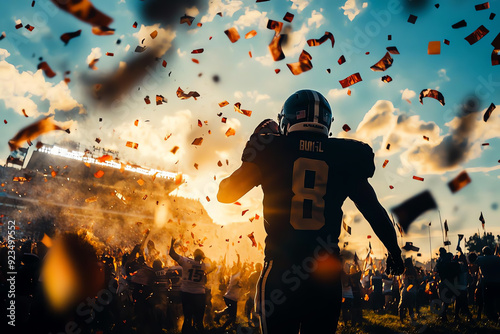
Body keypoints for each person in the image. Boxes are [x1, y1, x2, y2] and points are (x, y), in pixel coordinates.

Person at [217, 89, 404, 334]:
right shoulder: (345, 156)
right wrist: (394, 253)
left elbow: (225, 194)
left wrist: (258, 141)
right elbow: (374, 212)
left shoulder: (271, 150)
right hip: (323, 278)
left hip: (281, 272)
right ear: (326, 122)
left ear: (288, 119)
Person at [169, 238, 211, 334]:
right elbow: (214, 266)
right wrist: (205, 271)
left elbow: (172, 254)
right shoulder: (205, 266)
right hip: (200, 294)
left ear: (194, 255)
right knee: (199, 321)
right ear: (202, 257)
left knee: (187, 318)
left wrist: (172, 244)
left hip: (186, 293)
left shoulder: (186, 261)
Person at [475, 246, 500, 322]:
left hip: (487, 282)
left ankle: (490, 315)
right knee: (497, 299)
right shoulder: (497, 258)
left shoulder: (480, 259)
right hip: (497, 282)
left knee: (487, 300)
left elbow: (475, 264)